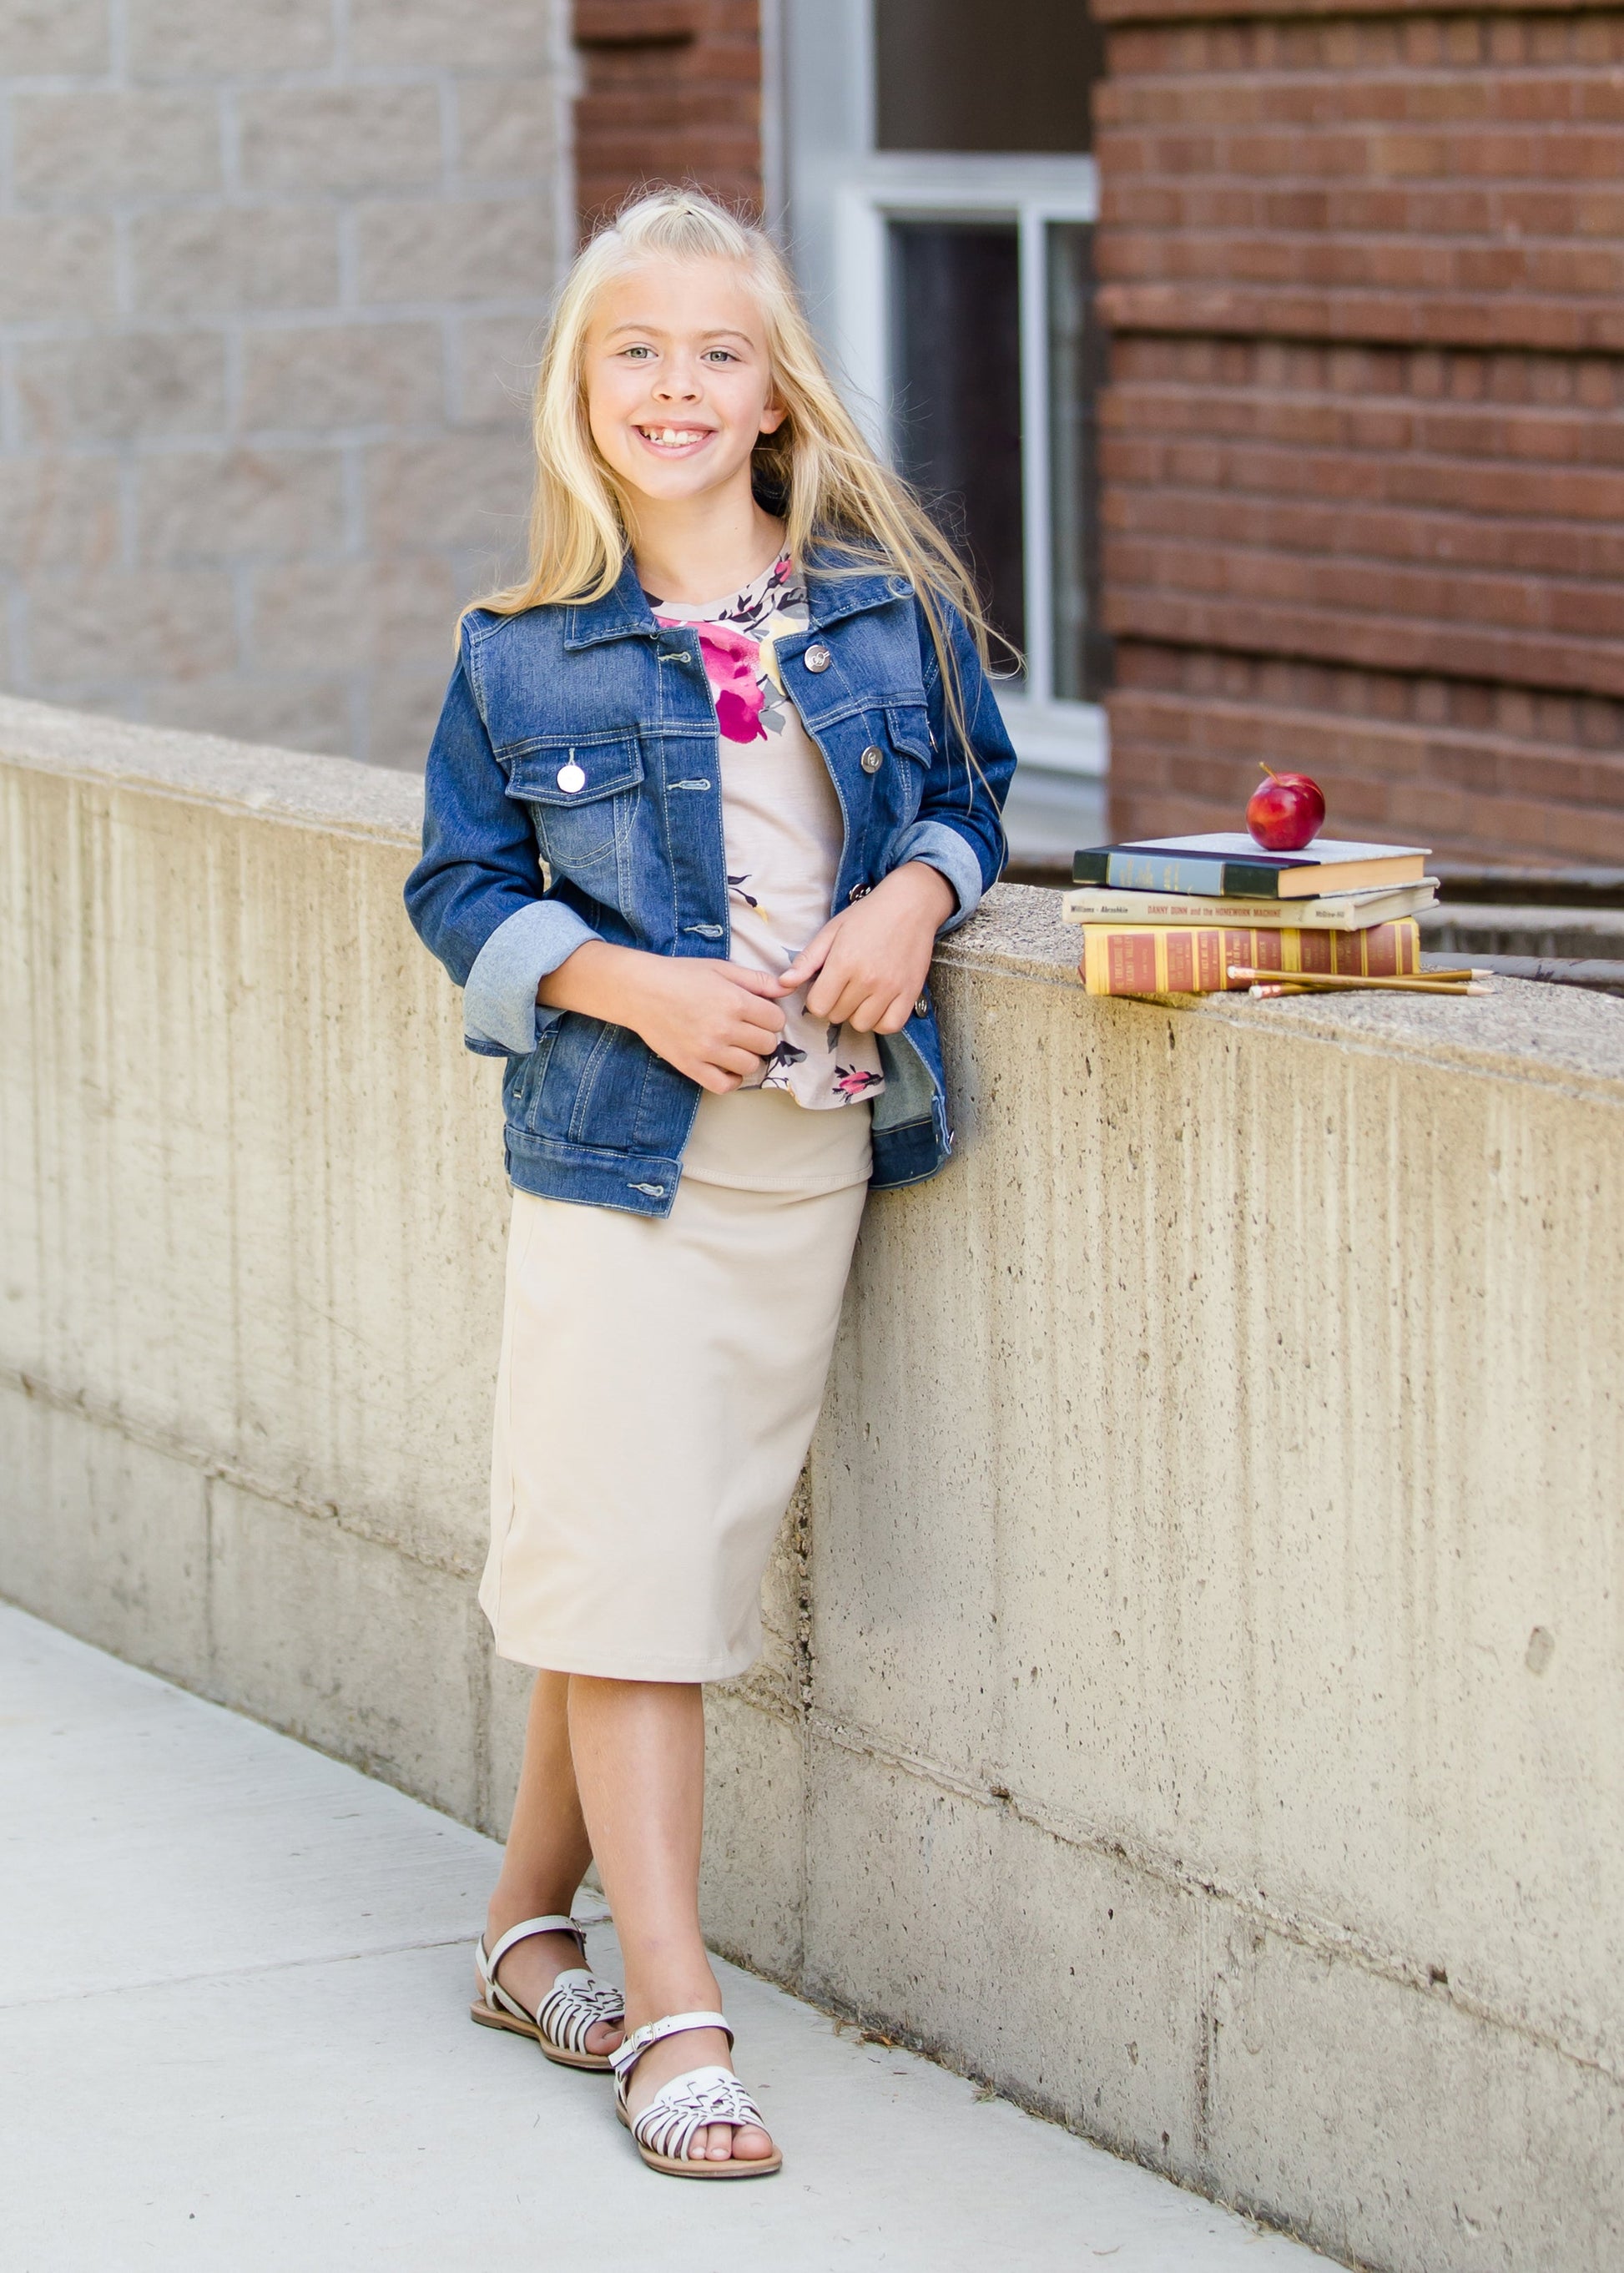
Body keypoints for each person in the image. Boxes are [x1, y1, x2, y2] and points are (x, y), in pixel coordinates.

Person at [404, 187, 1013, 2180]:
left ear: (774, 397)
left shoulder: (879, 613)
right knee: (641, 1592)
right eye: (633, 350)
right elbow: (458, 889)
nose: (675, 385)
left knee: (629, 1568)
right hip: (615, 1168)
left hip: (807, 1168)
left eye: (716, 352)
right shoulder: (520, 657)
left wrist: (915, 898)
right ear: (583, 392)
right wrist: (625, 980)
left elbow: (968, 794)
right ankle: (679, 2015)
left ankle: (519, 1930)